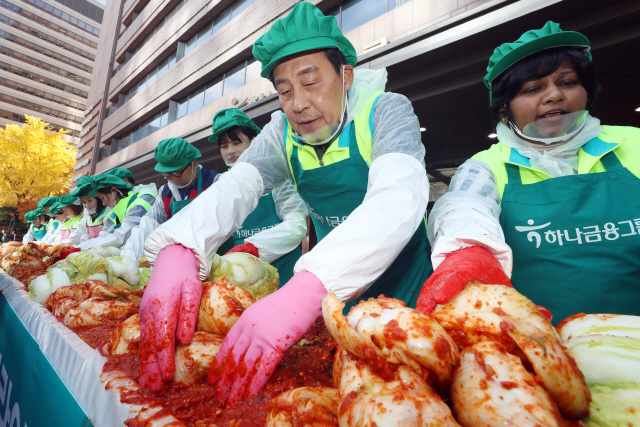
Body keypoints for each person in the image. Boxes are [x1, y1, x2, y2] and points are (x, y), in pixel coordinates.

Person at [139, 2, 432, 403]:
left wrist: (307, 290)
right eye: (285, 91)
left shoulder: (385, 110)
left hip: (406, 303)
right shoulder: (281, 133)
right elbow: (237, 185)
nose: (297, 103)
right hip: (332, 309)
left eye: (311, 82)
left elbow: (397, 200)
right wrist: (181, 245)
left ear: (345, 75)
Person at [420, 21, 640, 324]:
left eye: (567, 82)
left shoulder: (633, 144)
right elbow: (463, 208)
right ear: (504, 110)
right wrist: (468, 253)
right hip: (542, 354)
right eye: (533, 88)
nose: (554, 96)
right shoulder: (486, 166)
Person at [211, 108, 308, 284]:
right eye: (224, 146)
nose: (230, 151)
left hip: (283, 272)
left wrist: (253, 248)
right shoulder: (221, 184)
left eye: (236, 142)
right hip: (241, 275)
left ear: (254, 141)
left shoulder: (279, 177)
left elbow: (297, 226)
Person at [119, 139, 219, 261]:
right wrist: (127, 259)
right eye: (166, 174)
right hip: (182, 260)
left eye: (177, 172)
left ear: (194, 163)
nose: (171, 178)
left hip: (216, 258)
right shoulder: (165, 192)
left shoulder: (215, 183)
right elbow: (147, 226)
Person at [78, 173, 155, 250]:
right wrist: (79, 247)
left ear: (114, 191)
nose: (103, 203)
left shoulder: (139, 203)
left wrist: (81, 247)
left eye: (102, 198)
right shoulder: (114, 213)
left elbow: (121, 236)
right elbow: (104, 236)